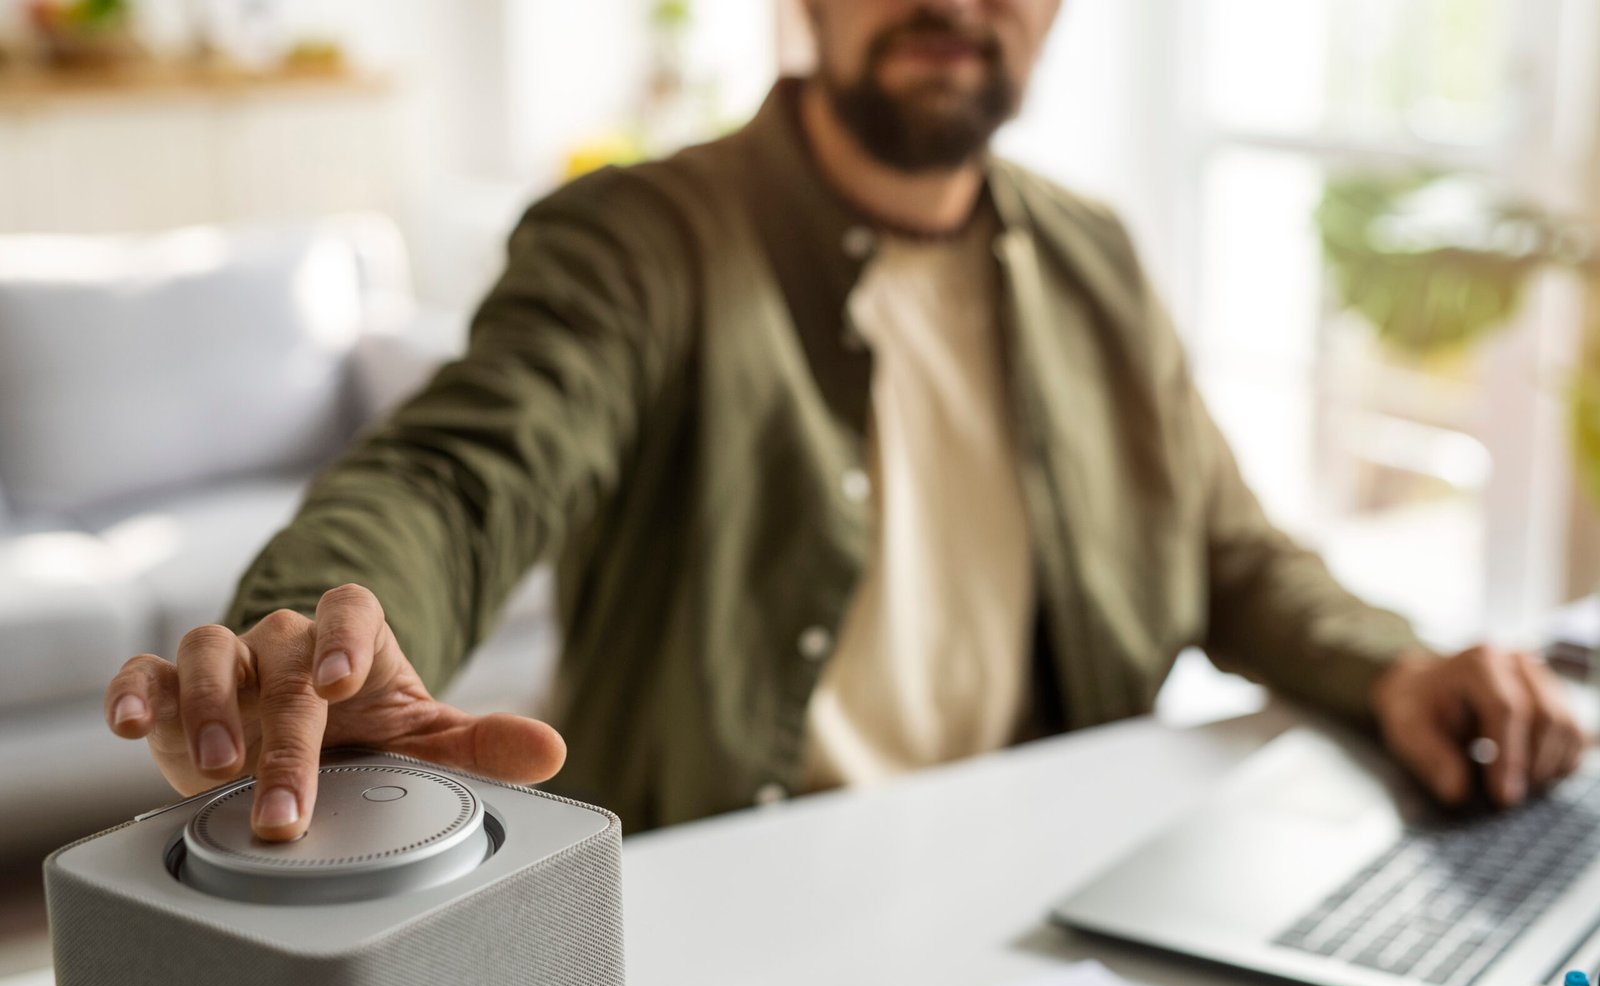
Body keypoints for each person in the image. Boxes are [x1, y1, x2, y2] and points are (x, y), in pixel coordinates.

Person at [104, 0, 1585, 840]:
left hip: (1065, 895)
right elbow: (457, 472)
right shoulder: (635, 242)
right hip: (735, 906)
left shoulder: (1096, 257)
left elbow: (1229, 554)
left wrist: (1397, 669)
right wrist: (322, 631)